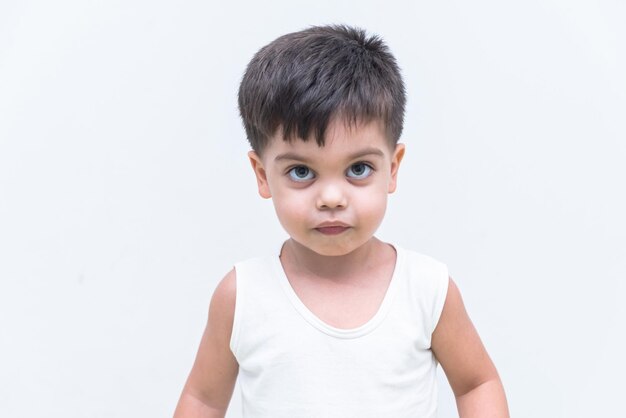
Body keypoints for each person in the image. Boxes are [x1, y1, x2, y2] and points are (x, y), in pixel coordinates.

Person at [174, 24, 509, 418]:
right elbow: (203, 399)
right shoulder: (242, 296)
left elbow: (476, 384)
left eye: (358, 168)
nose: (331, 198)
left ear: (393, 168)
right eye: (301, 172)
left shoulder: (426, 289)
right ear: (262, 175)